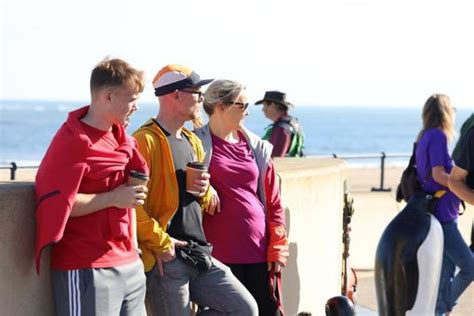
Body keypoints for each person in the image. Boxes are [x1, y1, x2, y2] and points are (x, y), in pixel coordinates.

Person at [133, 65, 258, 315]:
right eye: (195, 91)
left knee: (245, 309)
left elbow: (201, 199)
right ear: (175, 95)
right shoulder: (144, 141)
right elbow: (131, 206)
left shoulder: (192, 141)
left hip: (198, 253)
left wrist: (205, 191)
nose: (202, 98)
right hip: (167, 260)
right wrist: (161, 243)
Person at [35, 57, 149, 315]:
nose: (136, 107)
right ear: (108, 96)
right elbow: (59, 204)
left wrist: (133, 249)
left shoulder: (122, 139)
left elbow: (129, 201)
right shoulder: (72, 141)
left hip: (129, 263)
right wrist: (113, 198)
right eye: (132, 99)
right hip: (87, 266)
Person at [194, 80, 289, 315]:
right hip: (219, 255)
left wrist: (277, 246)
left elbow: (274, 202)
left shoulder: (256, 146)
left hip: (259, 250)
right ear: (219, 106)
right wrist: (206, 188)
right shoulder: (195, 143)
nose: (247, 111)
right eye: (242, 105)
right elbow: (182, 189)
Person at [415, 94, 473, 316]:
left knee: (446, 270)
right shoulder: (438, 136)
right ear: (446, 113)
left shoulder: (425, 136)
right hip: (443, 217)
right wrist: (458, 183)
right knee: (469, 267)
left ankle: (439, 311)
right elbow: (438, 174)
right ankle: (441, 308)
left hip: (441, 214)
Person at [255, 90, 304, 157]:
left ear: (273, 105)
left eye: (264, 106)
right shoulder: (294, 124)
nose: (263, 109)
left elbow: (276, 158)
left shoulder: (281, 129)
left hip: (281, 167)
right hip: (293, 165)